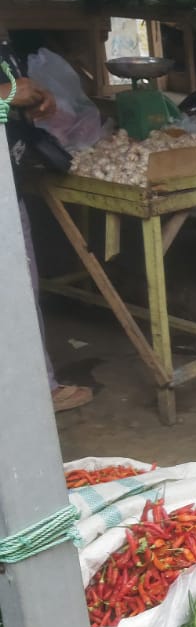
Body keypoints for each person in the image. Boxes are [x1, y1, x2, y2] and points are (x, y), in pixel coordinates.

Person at [0, 37, 93, 413]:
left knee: (22, 290)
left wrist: (31, 104)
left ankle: (38, 385)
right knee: (14, 295)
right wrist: (6, 95)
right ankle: (34, 393)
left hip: (10, 185)